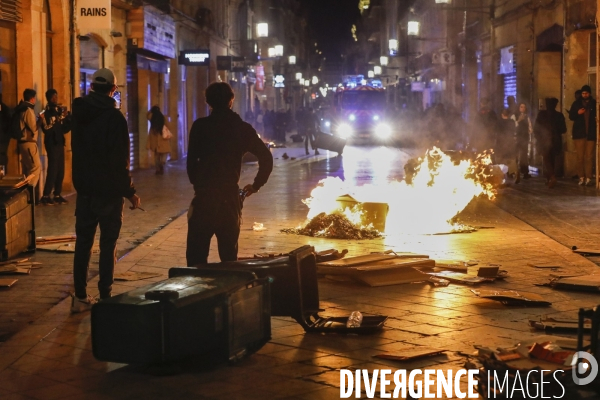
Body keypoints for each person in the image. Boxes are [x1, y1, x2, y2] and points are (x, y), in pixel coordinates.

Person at [70, 68, 141, 312]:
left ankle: (79, 296)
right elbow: (120, 161)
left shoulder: (78, 113)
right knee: (108, 244)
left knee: (83, 244)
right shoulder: (115, 118)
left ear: (92, 87)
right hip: (109, 193)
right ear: (113, 89)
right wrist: (130, 191)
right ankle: (105, 296)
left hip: (85, 190)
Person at [186, 82, 273, 266]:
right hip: (229, 200)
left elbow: (191, 162)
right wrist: (256, 185)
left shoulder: (200, 127)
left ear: (208, 102)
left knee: (195, 259)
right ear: (231, 101)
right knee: (229, 259)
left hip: (204, 198)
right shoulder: (242, 128)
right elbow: (266, 157)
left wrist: (199, 185)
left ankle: (197, 293)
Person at [40, 89, 71, 205]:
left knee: (60, 170)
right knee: (53, 169)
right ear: (48, 98)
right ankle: (46, 194)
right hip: (51, 143)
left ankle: (57, 193)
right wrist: (55, 119)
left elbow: (64, 129)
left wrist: (67, 118)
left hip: (59, 142)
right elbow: (46, 128)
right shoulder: (46, 112)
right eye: (53, 97)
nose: (55, 99)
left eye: (56, 97)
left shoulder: (58, 111)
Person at [533, 98, 566, 188]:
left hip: (544, 141)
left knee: (547, 159)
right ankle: (549, 178)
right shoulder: (559, 115)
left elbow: (536, 128)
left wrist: (538, 137)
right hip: (555, 141)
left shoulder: (542, 115)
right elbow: (563, 129)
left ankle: (552, 177)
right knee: (552, 159)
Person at [13, 89, 42, 190]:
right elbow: (33, 128)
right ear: (32, 98)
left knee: (29, 169)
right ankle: (30, 193)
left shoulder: (21, 108)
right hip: (29, 143)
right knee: (36, 168)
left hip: (23, 143)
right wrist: (41, 120)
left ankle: (28, 193)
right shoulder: (28, 110)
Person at [569, 85, 597, 186]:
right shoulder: (576, 104)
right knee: (580, 157)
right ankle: (581, 176)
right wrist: (578, 113)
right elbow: (571, 116)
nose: (585, 95)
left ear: (589, 94)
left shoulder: (594, 104)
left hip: (590, 134)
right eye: (583, 93)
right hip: (579, 134)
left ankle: (588, 177)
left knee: (589, 157)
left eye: (586, 93)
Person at [146, 105, 171, 175]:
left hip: (154, 138)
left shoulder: (152, 118)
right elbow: (169, 126)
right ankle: (162, 163)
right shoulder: (163, 118)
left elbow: (147, 115)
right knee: (164, 153)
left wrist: (151, 110)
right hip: (163, 138)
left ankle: (158, 169)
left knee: (156, 155)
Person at [514, 102, 533, 183]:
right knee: (515, 155)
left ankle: (525, 172)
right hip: (516, 138)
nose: (523, 108)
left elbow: (530, 127)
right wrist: (519, 120)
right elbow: (513, 126)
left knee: (524, 155)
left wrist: (528, 132)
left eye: (524, 107)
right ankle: (515, 171)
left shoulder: (527, 117)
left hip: (524, 138)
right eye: (521, 107)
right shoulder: (514, 116)